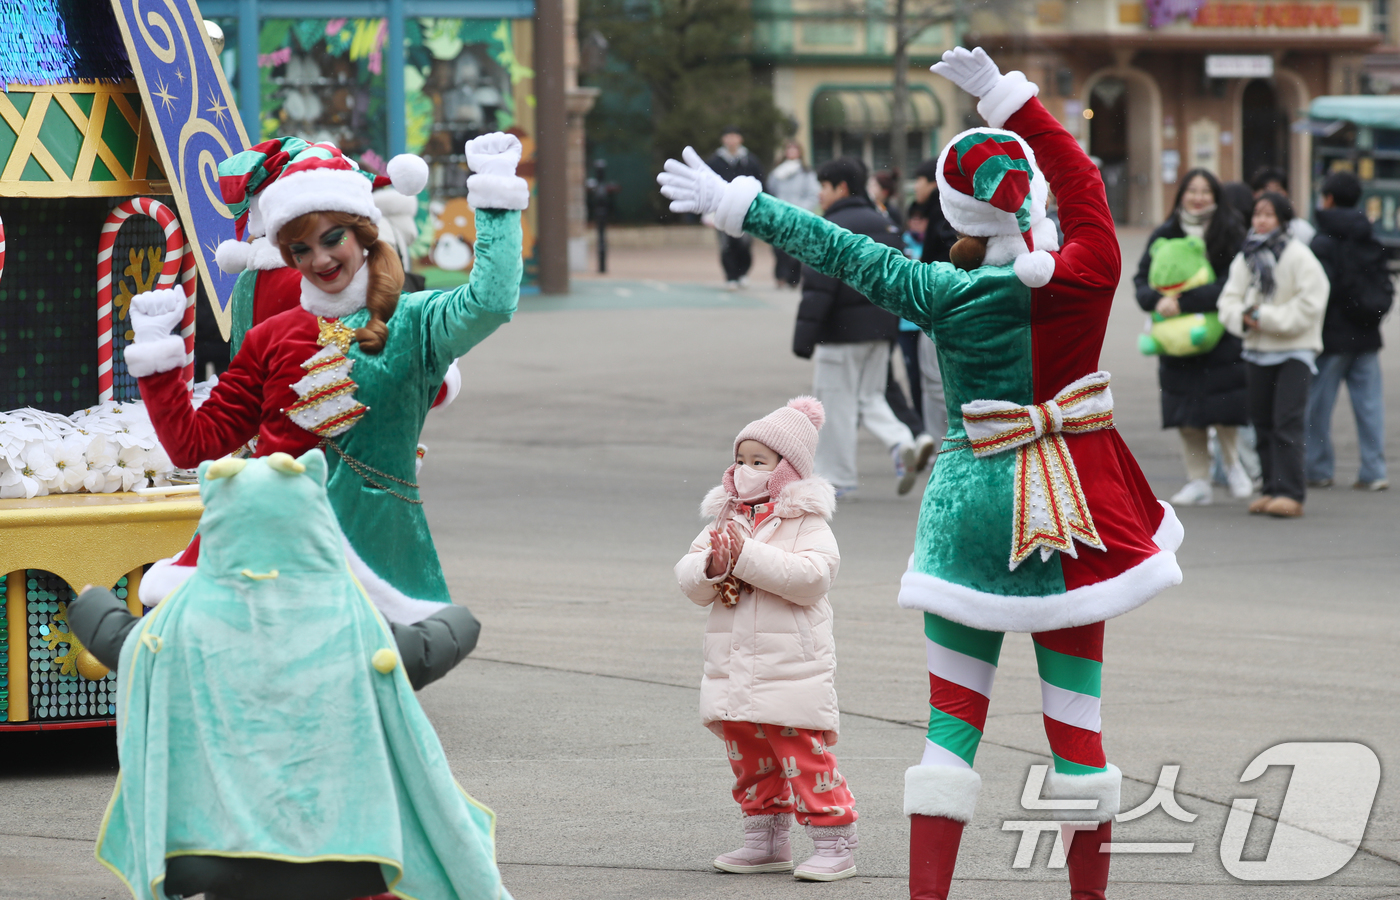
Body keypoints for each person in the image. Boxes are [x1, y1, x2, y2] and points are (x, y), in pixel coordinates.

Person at [660, 47, 1184, 900]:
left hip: (973, 514)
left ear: (955, 212)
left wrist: (740, 205)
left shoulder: (941, 289)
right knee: (1078, 734)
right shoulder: (1090, 268)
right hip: (1076, 516)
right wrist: (1007, 102)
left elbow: (836, 248)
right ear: (1037, 201)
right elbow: (1082, 180)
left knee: (951, 730)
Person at [124, 133, 527, 627]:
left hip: (377, 563)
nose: (319, 259)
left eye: (332, 237)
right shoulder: (271, 338)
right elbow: (194, 445)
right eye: (300, 247)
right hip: (269, 557)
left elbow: (491, 302)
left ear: (363, 233)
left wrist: (495, 198)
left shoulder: (415, 322)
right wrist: (159, 362)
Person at [69, 451, 508, 900]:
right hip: (343, 854)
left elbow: (125, 644)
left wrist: (91, 604)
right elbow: (438, 643)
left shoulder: (186, 625)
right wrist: (456, 618)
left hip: (223, 853)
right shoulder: (348, 623)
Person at [674, 397, 859, 882]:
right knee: (749, 756)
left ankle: (834, 841)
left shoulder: (807, 522)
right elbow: (689, 577)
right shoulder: (725, 519)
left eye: (760, 462)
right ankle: (765, 840)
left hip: (790, 667)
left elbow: (812, 578)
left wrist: (745, 556)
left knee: (802, 755)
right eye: (741, 460)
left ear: (786, 471)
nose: (746, 470)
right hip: (734, 667)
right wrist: (713, 566)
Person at [790, 155, 927, 497]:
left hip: (841, 334)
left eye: (823, 186)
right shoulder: (884, 224)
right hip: (880, 329)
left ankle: (836, 479)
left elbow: (819, 287)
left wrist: (804, 339)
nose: (819, 194)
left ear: (841, 187)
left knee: (834, 405)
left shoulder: (830, 227)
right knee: (869, 396)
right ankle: (900, 442)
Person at [1134, 168, 1252, 505]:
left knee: (1224, 407)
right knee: (1186, 412)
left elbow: (1232, 282)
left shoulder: (1230, 231)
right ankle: (1197, 479)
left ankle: (1233, 466)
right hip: (1175, 338)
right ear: (1181, 195)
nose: (1198, 197)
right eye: (1192, 190)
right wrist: (1156, 301)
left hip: (1220, 336)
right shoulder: (1165, 232)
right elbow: (1142, 280)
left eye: (1205, 191)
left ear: (1216, 196)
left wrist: (1183, 301)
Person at [1217, 192, 1330, 517]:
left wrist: (1265, 318)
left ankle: (1291, 492)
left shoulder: (1299, 256)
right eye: (1257, 214)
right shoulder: (1247, 256)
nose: (1261, 221)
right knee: (1262, 423)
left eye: (1268, 215)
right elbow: (1228, 301)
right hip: (1256, 351)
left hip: (1295, 351)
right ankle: (1270, 488)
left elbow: (1311, 304)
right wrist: (1244, 318)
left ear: (1282, 220)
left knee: (1287, 423)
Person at [1307, 170, 1392, 491]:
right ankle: (1374, 470)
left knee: (1318, 406)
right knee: (1369, 407)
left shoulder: (1321, 240)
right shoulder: (1368, 235)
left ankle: (1318, 469)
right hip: (1367, 333)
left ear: (1327, 199)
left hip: (1331, 338)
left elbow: (1319, 291)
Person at [707, 126, 765, 289]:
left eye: (734, 136)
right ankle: (730, 276)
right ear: (723, 139)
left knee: (744, 243)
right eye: (728, 136)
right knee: (726, 244)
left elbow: (761, 184)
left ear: (740, 139)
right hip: (722, 209)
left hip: (746, 210)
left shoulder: (750, 161)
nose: (731, 140)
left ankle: (743, 273)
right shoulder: (715, 161)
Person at [767, 139, 820, 288]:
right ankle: (780, 276)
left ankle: (793, 278)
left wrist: (800, 210)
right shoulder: (776, 172)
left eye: (794, 149)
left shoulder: (806, 173)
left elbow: (813, 194)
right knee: (778, 248)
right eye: (788, 149)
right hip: (779, 215)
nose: (791, 152)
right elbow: (770, 192)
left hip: (798, 215)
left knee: (796, 248)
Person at [1251, 166, 1316, 244]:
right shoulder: (1251, 235)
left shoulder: (1300, 229)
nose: (1272, 197)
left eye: (1277, 190)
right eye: (1267, 191)